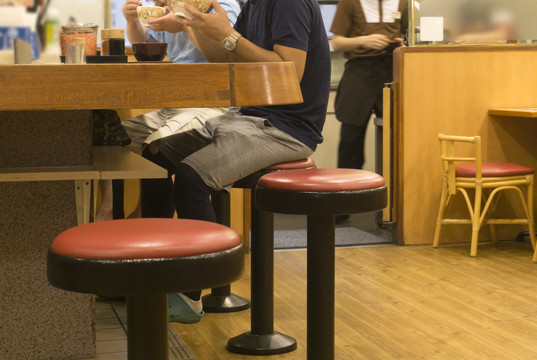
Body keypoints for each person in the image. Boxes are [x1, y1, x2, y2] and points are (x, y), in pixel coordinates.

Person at [140, 0, 331, 321]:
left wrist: (228, 33)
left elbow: (289, 73)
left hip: (288, 129)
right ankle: (155, 270)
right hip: (248, 117)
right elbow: (224, 58)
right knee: (156, 153)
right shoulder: (253, 4)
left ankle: (193, 292)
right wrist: (194, 24)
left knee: (192, 177)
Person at [95, 0, 241, 222]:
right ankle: (110, 211)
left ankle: (148, 222)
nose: (159, 3)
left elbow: (225, 54)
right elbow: (143, 43)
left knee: (156, 145)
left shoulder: (221, 5)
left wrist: (185, 25)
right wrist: (132, 19)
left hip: (216, 106)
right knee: (110, 140)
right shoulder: (171, 12)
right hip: (176, 106)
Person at [329, 0, 407, 222]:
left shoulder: (404, 2)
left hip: (393, 69)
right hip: (359, 71)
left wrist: (401, 43)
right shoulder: (350, 2)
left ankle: (396, 206)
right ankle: (343, 206)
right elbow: (337, 43)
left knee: (398, 141)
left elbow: (411, 33)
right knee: (350, 141)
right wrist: (365, 40)